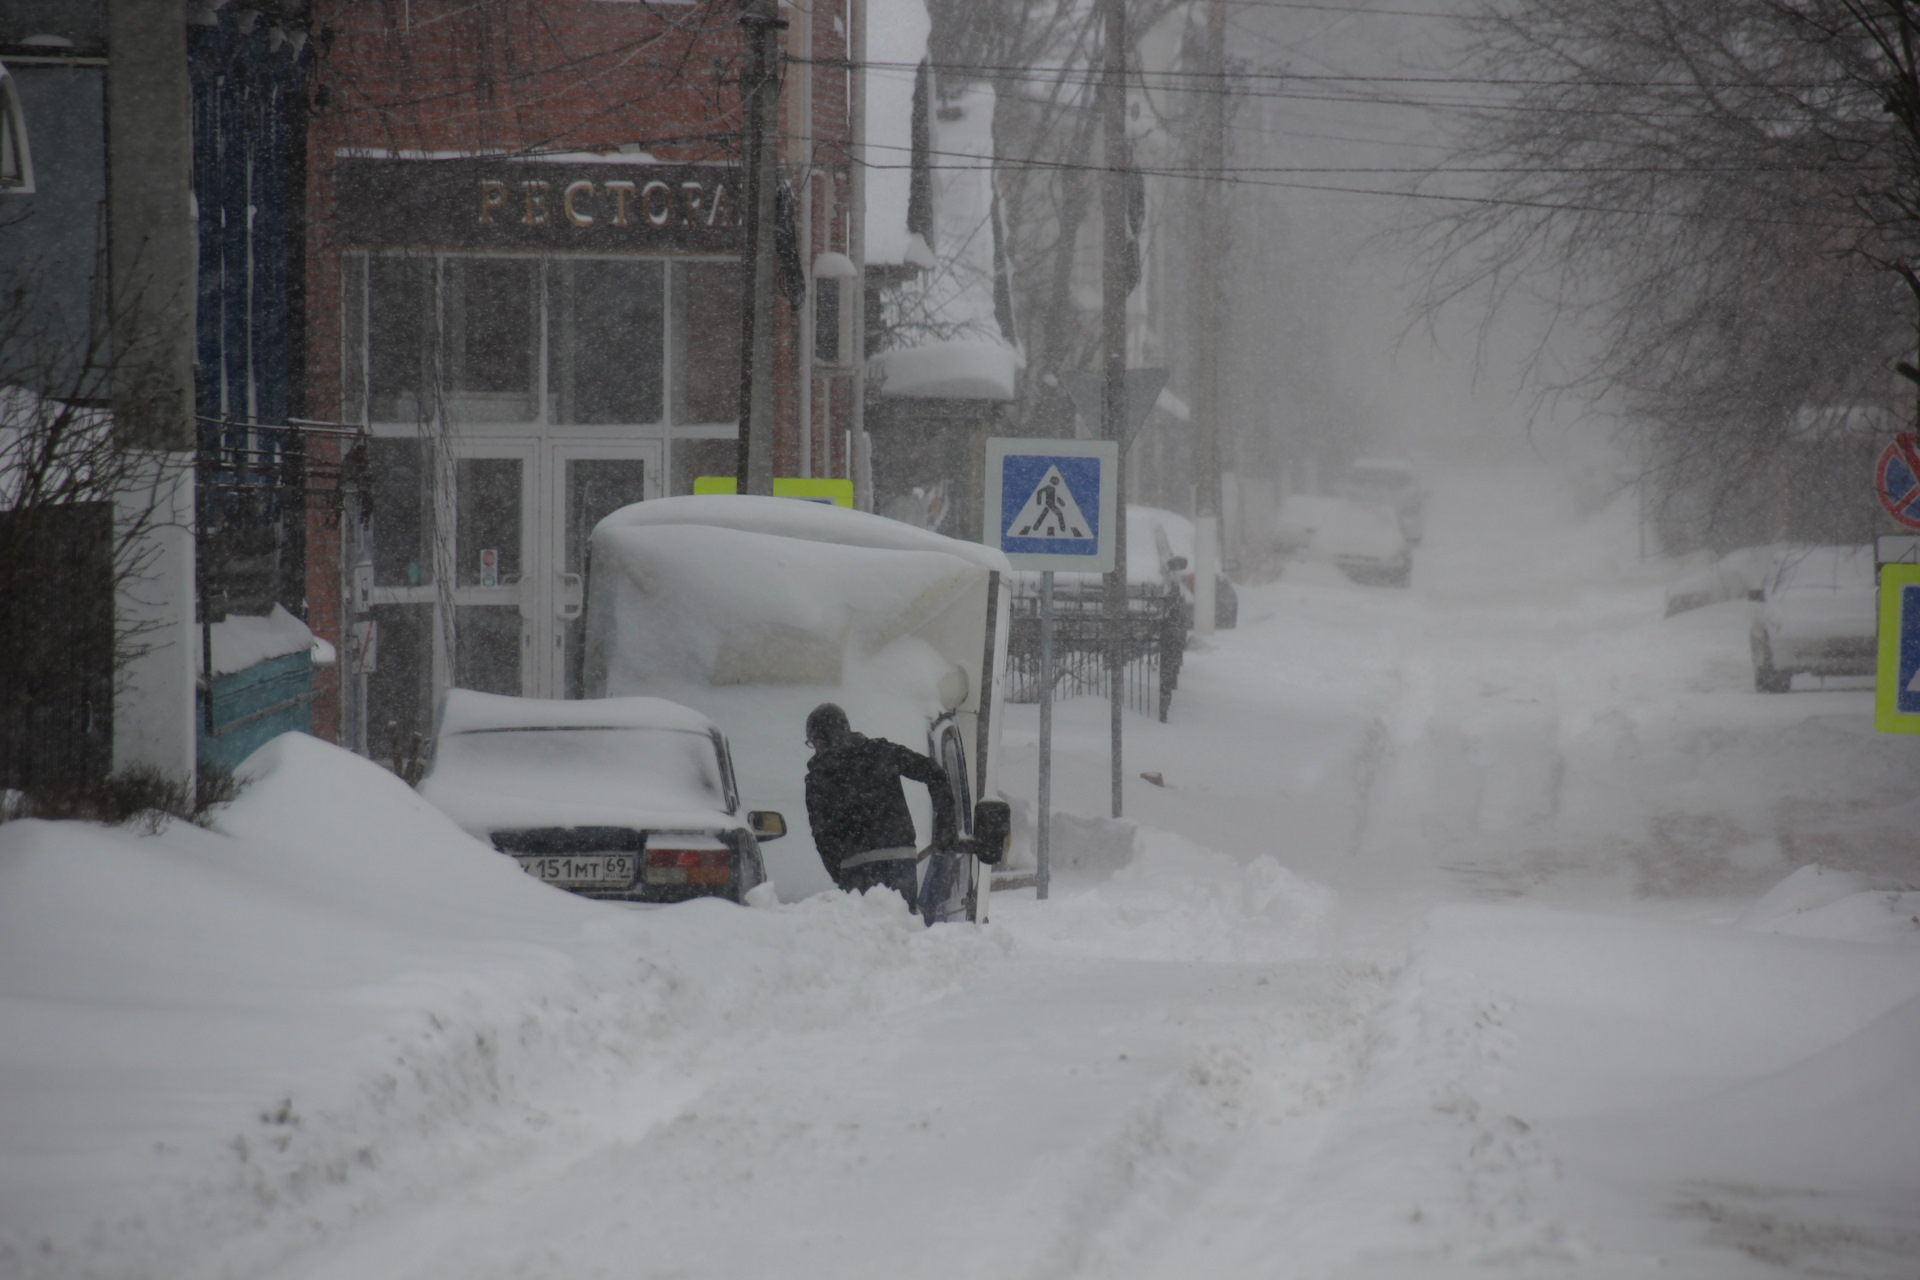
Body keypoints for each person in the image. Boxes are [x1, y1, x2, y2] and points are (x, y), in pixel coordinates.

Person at [803, 702, 956, 913]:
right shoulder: (881, 752)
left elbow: (821, 834)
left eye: (816, 742)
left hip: (855, 868)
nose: (816, 748)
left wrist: (840, 875)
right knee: (901, 933)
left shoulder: (818, 778)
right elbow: (934, 773)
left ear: (824, 739)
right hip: (901, 858)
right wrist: (946, 827)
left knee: (865, 938)